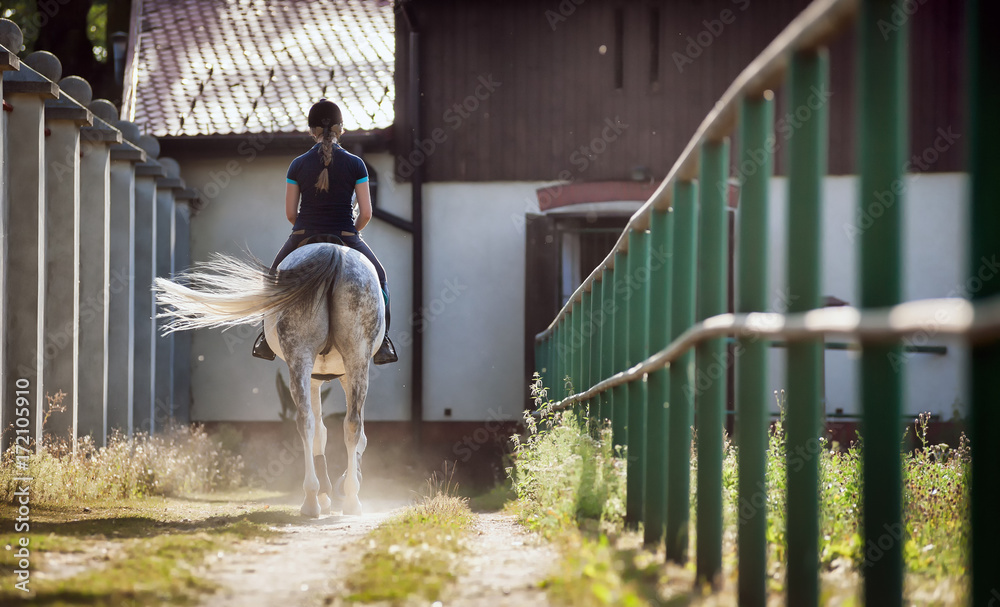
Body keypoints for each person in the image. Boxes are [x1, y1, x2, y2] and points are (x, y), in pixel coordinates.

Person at [252, 99, 397, 365]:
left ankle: (265, 340)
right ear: (340, 129)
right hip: (346, 235)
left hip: (303, 234)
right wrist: (352, 233)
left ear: (311, 131)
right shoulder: (356, 165)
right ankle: (384, 340)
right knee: (381, 278)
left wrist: (306, 228)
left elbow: (290, 214)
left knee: (271, 280)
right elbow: (365, 213)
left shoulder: (297, 165)